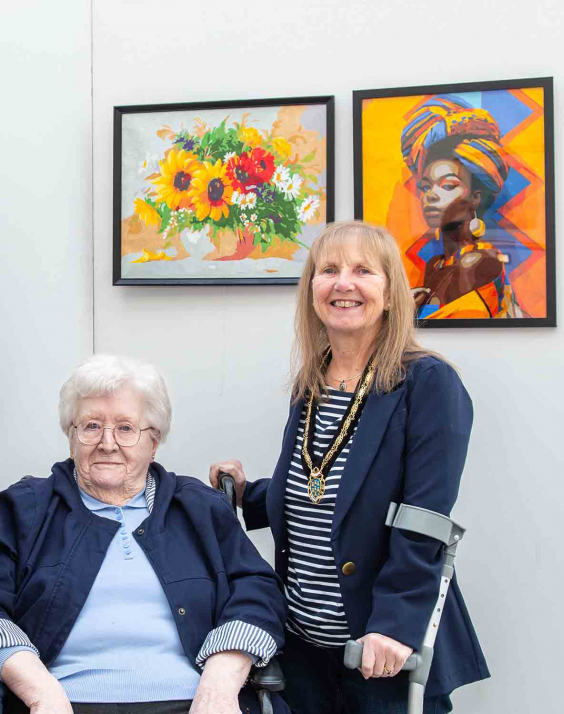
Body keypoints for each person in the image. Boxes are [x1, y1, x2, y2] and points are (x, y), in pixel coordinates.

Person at [210, 221, 489, 713]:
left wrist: (394, 626)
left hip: (380, 652)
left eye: (363, 270)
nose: (344, 283)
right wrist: (247, 493)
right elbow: (327, 484)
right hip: (302, 646)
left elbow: (424, 521)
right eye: (329, 270)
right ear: (312, 290)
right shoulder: (312, 382)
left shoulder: (428, 384)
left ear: (389, 291)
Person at [0, 355, 288, 714]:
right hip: (61, 703)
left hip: (193, 703)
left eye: (126, 428)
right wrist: (40, 692)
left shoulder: (199, 508)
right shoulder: (25, 508)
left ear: (153, 441)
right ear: (70, 435)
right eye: (91, 426)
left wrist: (220, 682)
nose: (108, 443)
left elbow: (259, 591)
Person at [400, 94, 520, 319]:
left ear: (475, 197)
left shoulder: (478, 261)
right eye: (426, 187)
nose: (431, 196)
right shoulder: (435, 265)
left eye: (448, 185)